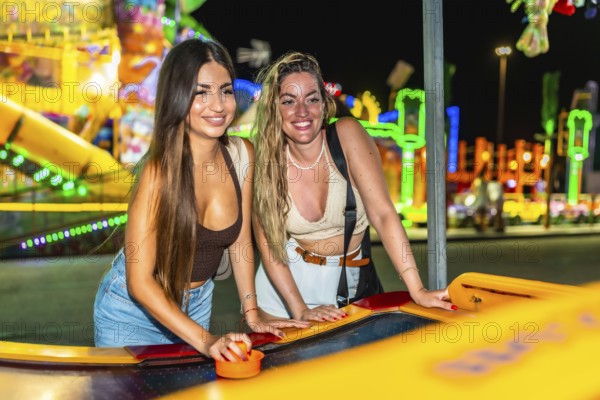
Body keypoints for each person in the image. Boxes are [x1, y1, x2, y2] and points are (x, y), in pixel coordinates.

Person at [93, 39, 304, 361]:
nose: (218, 105)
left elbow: (241, 243)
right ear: (178, 96)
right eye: (201, 92)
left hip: (198, 302)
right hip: (131, 312)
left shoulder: (242, 155)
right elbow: (139, 281)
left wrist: (252, 311)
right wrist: (206, 341)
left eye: (226, 90)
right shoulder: (157, 171)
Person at [251, 51, 456, 322]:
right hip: (284, 292)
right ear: (274, 109)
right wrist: (300, 309)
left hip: (350, 280)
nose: (302, 111)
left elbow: (383, 215)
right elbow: (270, 249)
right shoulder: (265, 162)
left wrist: (416, 289)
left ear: (324, 105)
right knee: (290, 365)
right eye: (289, 101)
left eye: (311, 99)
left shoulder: (347, 135)